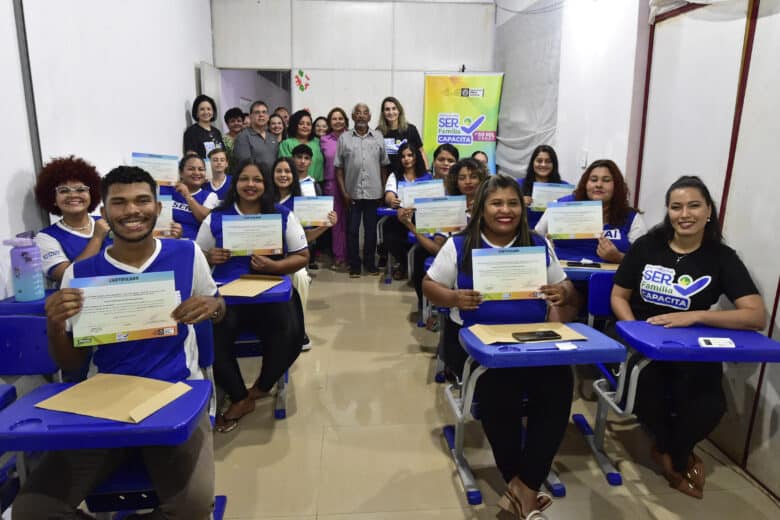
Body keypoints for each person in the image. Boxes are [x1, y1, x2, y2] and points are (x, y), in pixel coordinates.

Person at [13, 166, 223, 519]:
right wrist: (54, 326)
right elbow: (72, 364)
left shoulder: (187, 254)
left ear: (157, 207)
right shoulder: (80, 274)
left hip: (176, 395)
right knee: (33, 509)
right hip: (102, 401)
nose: (131, 211)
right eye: (119, 203)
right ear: (105, 213)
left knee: (193, 507)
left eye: (142, 200)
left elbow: (220, 306)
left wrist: (213, 306)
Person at [423, 174, 578, 519]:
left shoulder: (538, 244)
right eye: (496, 203)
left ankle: (523, 485)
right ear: (482, 208)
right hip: (480, 345)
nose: (504, 210)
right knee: (500, 389)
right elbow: (430, 285)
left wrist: (561, 293)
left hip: (534, 340)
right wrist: (453, 297)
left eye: (511, 203)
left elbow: (567, 289)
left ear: (521, 209)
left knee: (559, 385)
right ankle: (522, 483)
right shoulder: (460, 245)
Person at [611, 175, 765, 499]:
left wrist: (696, 315)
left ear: (709, 210)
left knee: (710, 406)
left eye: (694, 205)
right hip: (644, 347)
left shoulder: (722, 257)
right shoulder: (647, 246)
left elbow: (755, 315)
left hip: (691, 348)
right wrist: (636, 334)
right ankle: (678, 460)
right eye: (676, 207)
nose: (685, 214)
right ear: (668, 212)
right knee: (649, 396)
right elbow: (618, 296)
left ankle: (669, 453)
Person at [195, 160, 307, 431]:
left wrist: (275, 266)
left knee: (290, 334)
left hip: (271, 292)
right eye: (244, 179)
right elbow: (196, 258)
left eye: (257, 180)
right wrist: (210, 256)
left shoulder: (281, 215)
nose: (250, 185)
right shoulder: (216, 218)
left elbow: (303, 256)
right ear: (236, 184)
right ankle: (240, 396)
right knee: (210, 339)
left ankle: (261, 387)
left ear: (265, 184)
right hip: (228, 298)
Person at [402, 157, 486, 323]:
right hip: (461, 272)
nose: (468, 181)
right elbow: (436, 249)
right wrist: (410, 226)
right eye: (462, 178)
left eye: (474, 176)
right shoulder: (450, 209)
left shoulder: (493, 207)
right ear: (456, 182)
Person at [271, 156, 337, 350]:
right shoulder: (263, 199)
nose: (283, 175)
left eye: (287, 172)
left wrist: (326, 226)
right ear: (272, 174)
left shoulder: (301, 203)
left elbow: (304, 239)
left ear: (294, 176)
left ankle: (298, 328)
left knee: (300, 275)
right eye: (279, 171)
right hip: (265, 255)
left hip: (291, 258)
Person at [535, 159, 646, 263]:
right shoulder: (561, 206)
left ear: (617, 186)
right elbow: (535, 239)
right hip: (564, 279)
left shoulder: (631, 217)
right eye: (593, 180)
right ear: (585, 184)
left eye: (606, 180)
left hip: (609, 281)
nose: (598, 185)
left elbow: (644, 259)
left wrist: (619, 257)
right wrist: (548, 248)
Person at [33, 156, 110, 283]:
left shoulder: (109, 222)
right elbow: (65, 276)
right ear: (53, 199)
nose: (73, 195)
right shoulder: (46, 237)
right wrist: (96, 239)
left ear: (92, 194)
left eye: (81, 189)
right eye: (64, 191)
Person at [336, 102, 390, 278]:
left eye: (365, 113)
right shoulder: (344, 138)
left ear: (369, 117)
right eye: (357, 113)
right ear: (352, 117)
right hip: (351, 193)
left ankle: (369, 263)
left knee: (371, 231)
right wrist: (344, 192)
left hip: (374, 192)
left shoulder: (378, 137)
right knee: (352, 231)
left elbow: (383, 166)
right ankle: (355, 265)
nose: (361, 115)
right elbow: (339, 168)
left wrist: (383, 189)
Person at [382, 142, 431, 279]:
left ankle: (416, 267)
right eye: (403, 156)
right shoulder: (394, 175)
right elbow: (389, 194)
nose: (406, 159)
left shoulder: (427, 176)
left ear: (416, 157)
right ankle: (404, 264)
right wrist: (392, 200)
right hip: (401, 217)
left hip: (422, 218)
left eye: (410, 155)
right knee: (390, 235)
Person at [320, 107, 350, 271]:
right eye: (334, 119)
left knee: (351, 221)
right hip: (331, 184)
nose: (338, 121)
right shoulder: (324, 140)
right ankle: (339, 256)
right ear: (329, 122)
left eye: (340, 118)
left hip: (351, 183)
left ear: (345, 120)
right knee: (336, 221)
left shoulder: (352, 137)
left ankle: (351, 254)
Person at [377, 96, 429, 175]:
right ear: (383, 113)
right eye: (387, 109)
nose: (391, 112)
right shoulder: (378, 132)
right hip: (387, 176)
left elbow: (421, 151)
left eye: (394, 108)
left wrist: (427, 172)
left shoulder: (411, 129)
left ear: (399, 111)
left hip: (409, 176)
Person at [172, 154, 219, 240]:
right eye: (191, 169)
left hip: (194, 245)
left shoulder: (210, 196)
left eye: (201, 169)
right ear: (181, 173)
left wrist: (187, 195)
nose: (197, 173)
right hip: (166, 240)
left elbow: (204, 218)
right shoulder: (169, 191)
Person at [232, 100, 279, 179]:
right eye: (257, 112)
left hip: (273, 182)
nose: (261, 115)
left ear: (268, 117)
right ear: (250, 116)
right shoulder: (243, 137)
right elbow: (245, 166)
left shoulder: (272, 137)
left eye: (264, 112)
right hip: (254, 183)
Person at [522, 145, 565, 228]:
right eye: (539, 161)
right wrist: (518, 202)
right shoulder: (518, 185)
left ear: (554, 164)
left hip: (553, 236)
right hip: (526, 235)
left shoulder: (564, 187)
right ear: (533, 163)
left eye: (548, 161)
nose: (543, 164)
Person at [278, 110, 324, 183]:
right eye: (301, 123)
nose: (305, 126)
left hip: (317, 185)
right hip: (294, 184)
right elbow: (286, 167)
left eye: (308, 124)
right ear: (295, 124)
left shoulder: (318, 142)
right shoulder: (286, 144)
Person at [182, 94, 225, 158]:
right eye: (202, 109)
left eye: (209, 109)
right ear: (196, 113)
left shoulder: (217, 132)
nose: (206, 112)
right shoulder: (191, 132)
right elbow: (191, 158)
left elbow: (223, 154)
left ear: (213, 112)